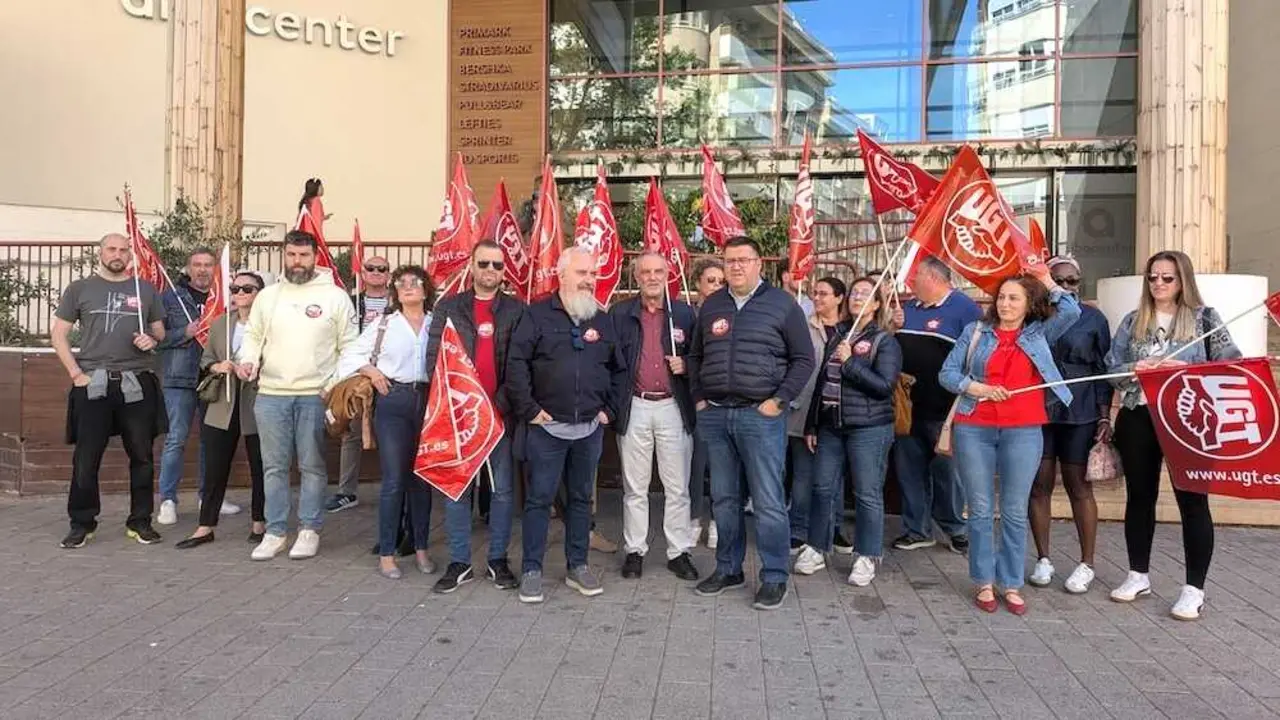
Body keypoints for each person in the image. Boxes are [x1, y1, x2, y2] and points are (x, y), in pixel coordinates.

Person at [1104, 250, 1241, 620]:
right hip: (1138, 415)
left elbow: (1231, 364)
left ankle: (1194, 589)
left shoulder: (1204, 318)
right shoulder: (1134, 320)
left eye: (1167, 277)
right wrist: (1135, 367)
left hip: (1189, 418)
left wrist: (1188, 369)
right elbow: (1110, 369)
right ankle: (1138, 574)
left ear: (1183, 280)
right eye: (1152, 277)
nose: (1158, 283)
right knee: (1139, 497)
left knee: (1192, 501)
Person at [940, 269, 1080, 615]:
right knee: (980, 508)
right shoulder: (976, 331)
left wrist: (1047, 279)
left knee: (1015, 510)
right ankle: (984, 580)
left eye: (1014, 298)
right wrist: (979, 388)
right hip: (975, 426)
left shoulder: (1038, 333)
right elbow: (948, 373)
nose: (1004, 304)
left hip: (1023, 429)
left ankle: (1012, 582)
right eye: (1001, 297)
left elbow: (1072, 311)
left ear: (1029, 303)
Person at [691, 237, 814, 610]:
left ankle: (774, 576)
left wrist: (778, 401)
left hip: (760, 417)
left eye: (744, 260)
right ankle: (728, 568)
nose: (736, 266)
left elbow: (804, 359)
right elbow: (695, 355)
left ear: (760, 263)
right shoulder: (712, 305)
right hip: (716, 414)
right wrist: (699, 398)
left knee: (767, 500)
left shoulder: (782, 304)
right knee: (724, 498)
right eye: (730, 260)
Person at [507, 246, 627, 604]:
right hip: (546, 430)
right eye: (582, 273)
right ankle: (532, 570)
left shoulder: (601, 320)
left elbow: (619, 370)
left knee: (580, 499)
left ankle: (578, 566)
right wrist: (529, 410)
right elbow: (516, 364)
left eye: (593, 274)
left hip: (589, 430)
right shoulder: (536, 315)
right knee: (539, 500)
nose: (589, 280)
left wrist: (609, 411)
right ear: (561, 275)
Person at [237, 230, 358, 561]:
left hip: (314, 395)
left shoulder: (335, 297)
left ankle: (309, 529)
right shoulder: (268, 296)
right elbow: (253, 335)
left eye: (304, 255)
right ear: (284, 255)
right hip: (270, 394)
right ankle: (275, 532)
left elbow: (350, 345)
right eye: (291, 255)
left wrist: (334, 383)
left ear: (315, 257)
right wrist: (248, 360)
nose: (297, 261)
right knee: (273, 467)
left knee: (312, 466)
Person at [51, 233, 167, 548]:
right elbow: (59, 334)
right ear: (100, 253)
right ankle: (82, 523)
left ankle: (140, 522)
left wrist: (151, 339)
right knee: (86, 458)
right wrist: (75, 373)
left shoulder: (145, 289)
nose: (118, 254)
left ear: (130, 255)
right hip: (93, 382)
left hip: (137, 381)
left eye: (123, 250)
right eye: (112, 249)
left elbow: (160, 332)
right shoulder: (80, 289)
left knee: (142, 456)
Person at [424, 242, 523, 593]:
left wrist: (498, 404)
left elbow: (520, 365)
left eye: (497, 265)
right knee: (457, 490)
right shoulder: (449, 307)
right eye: (484, 263)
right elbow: (434, 359)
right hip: (460, 416)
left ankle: (498, 560)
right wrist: (460, 403)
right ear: (472, 265)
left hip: (499, 416)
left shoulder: (516, 310)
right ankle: (459, 562)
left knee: (502, 492)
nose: (490, 270)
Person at [337, 265, 436, 579]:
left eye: (414, 281)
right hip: (393, 400)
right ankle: (387, 553)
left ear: (426, 288)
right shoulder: (384, 324)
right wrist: (371, 371)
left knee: (422, 479)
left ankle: (420, 547)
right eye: (401, 283)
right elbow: (349, 355)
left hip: (429, 401)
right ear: (395, 291)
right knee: (394, 479)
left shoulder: (437, 323)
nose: (408, 286)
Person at [803, 277, 901, 587]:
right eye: (855, 292)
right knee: (822, 487)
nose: (858, 297)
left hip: (869, 429)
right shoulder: (839, 334)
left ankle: (866, 555)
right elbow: (823, 383)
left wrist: (850, 364)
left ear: (877, 304)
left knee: (867, 494)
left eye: (866, 294)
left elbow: (884, 386)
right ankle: (817, 547)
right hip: (831, 425)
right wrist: (812, 423)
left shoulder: (885, 341)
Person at [611, 252, 699, 581]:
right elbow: (610, 360)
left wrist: (687, 364)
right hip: (635, 405)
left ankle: (678, 552)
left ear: (668, 275)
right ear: (636, 277)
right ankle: (635, 551)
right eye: (645, 272)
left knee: (677, 486)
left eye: (658, 271)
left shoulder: (684, 314)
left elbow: (702, 355)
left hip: (673, 407)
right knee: (635, 487)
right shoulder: (620, 314)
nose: (651, 277)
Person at [1027, 256, 1113, 594]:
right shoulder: (1034, 315)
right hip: (1039, 408)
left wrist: (1105, 415)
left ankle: (1086, 562)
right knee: (1039, 485)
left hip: (1081, 409)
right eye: (1058, 280)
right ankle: (1043, 558)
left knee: (1079, 486)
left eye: (1072, 281)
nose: (1065, 287)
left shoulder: (1094, 318)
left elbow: (1103, 369)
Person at [892, 256, 983, 554]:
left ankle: (956, 528)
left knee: (948, 473)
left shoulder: (965, 309)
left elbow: (977, 357)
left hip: (945, 409)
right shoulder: (908, 308)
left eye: (917, 275)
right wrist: (892, 325)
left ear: (933, 278)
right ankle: (917, 529)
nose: (912, 280)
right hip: (907, 408)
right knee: (909, 471)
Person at [176, 271, 268, 549]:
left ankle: (260, 522)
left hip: (257, 401)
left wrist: (254, 367)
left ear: (260, 293)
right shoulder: (220, 324)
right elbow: (206, 359)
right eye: (235, 288)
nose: (240, 293)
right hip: (222, 403)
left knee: (260, 465)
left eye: (247, 289)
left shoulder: (270, 325)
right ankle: (205, 526)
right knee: (215, 465)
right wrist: (219, 366)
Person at [156, 248, 236, 525]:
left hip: (214, 379)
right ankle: (167, 500)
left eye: (208, 265)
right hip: (179, 379)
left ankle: (208, 498)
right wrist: (185, 332)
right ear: (188, 268)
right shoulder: (170, 297)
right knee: (176, 439)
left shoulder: (224, 298)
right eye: (197, 264)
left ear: (215, 269)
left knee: (211, 442)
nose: (202, 270)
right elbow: (157, 338)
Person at [789, 276, 849, 574]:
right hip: (803, 409)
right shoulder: (803, 325)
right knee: (803, 474)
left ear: (839, 298)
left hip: (836, 413)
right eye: (815, 292)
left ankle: (832, 528)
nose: (817, 298)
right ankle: (798, 528)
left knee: (833, 477)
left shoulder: (849, 331)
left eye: (824, 293)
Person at [327, 254, 393, 514]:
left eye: (382, 268)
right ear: (362, 273)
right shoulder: (351, 302)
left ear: (389, 274)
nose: (376, 272)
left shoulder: (398, 302)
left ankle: (395, 488)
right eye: (370, 268)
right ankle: (346, 491)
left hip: (390, 375)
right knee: (352, 432)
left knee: (392, 433)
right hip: (357, 374)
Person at [688, 258, 724, 549]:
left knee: (720, 466)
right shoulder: (687, 315)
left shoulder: (731, 314)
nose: (716, 286)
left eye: (721, 281)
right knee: (695, 464)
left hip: (722, 400)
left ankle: (716, 521)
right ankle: (692, 518)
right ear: (698, 283)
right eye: (711, 280)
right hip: (693, 400)